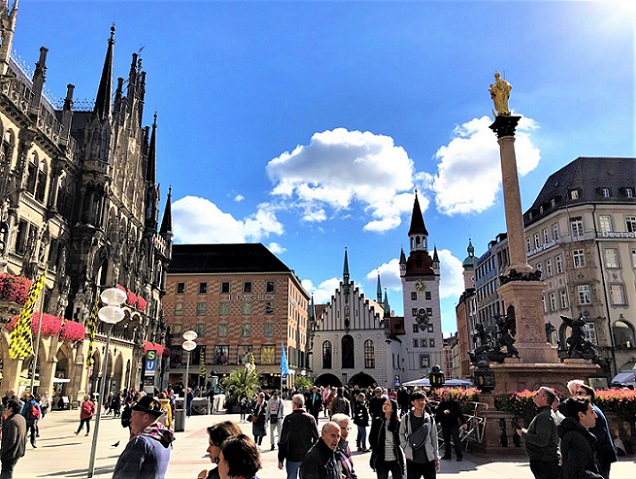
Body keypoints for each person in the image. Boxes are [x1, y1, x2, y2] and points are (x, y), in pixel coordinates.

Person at [113, 396, 175, 479]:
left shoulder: (141, 442)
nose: (130, 420)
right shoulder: (163, 438)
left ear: (145, 417)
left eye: (133, 415)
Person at [517, 387, 561, 479]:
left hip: (545, 463)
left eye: (537, 393)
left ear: (544, 398)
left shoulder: (544, 416)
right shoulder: (544, 414)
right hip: (543, 461)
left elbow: (542, 440)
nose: (535, 395)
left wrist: (523, 434)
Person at [575, 384, 617, 479]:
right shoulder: (588, 410)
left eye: (580, 393)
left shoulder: (593, 412)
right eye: (577, 393)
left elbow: (599, 436)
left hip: (601, 455)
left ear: (589, 396)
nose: (577, 395)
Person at [558, 398, 603, 479]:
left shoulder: (576, 435)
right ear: (581, 415)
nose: (596, 416)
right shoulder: (576, 439)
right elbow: (576, 472)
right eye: (592, 412)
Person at [399, 391, 439, 479]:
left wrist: (436, 457)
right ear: (413, 402)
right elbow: (401, 434)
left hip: (428, 459)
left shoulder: (430, 419)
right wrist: (406, 447)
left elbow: (434, 438)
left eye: (423, 400)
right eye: (418, 400)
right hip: (412, 459)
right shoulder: (406, 418)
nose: (421, 402)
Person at [278, 394, 319, 479]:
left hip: (292, 456)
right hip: (307, 455)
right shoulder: (310, 418)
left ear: (294, 404)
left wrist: (281, 458)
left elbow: (283, 440)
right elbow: (317, 438)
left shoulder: (288, 419)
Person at [369, 398, 405, 479]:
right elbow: (372, 438)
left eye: (388, 404)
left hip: (395, 459)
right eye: (384, 404)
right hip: (381, 460)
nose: (385, 406)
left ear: (392, 409)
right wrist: (375, 451)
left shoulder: (397, 423)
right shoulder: (377, 421)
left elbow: (401, 440)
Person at [435, 390, 467, 461]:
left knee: (456, 440)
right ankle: (447, 455)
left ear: (450, 396)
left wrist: (464, 422)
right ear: (442, 396)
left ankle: (459, 455)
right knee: (446, 440)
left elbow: (459, 413)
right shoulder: (441, 404)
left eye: (448, 395)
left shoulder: (454, 404)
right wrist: (434, 423)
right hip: (445, 424)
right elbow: (438, 415)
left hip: (453, 424)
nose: (446, 396)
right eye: (445, 395)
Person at [1, 400, 27, 479]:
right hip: (18, 450)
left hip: (11, 453)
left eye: (6, 407)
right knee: (7, 471)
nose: (5, 409)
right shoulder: (21, 418)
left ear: (11, 409)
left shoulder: (13, 421)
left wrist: (1, 451)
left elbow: (11, 440)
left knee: (6, 472)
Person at [331, 414, 358, 479]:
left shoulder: (346, 446)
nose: (346, 431)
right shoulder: (331, 448)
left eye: (348, 428)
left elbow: (350, 469)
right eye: (342, 428)